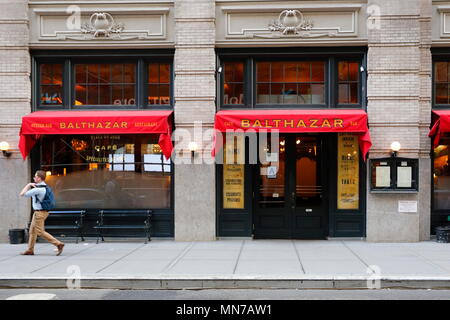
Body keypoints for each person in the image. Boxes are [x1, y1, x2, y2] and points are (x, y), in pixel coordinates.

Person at [19, 170, 64, 256]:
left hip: (39, 213)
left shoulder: (38, 190)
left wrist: (28, 184)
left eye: (35, 177)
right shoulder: (45, 187)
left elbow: (22, 194)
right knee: (32, 231)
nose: (34, 178)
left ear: (39, 178)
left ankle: (58, 244)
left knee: (40, 232)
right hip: (42, 212)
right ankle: (30, 250)